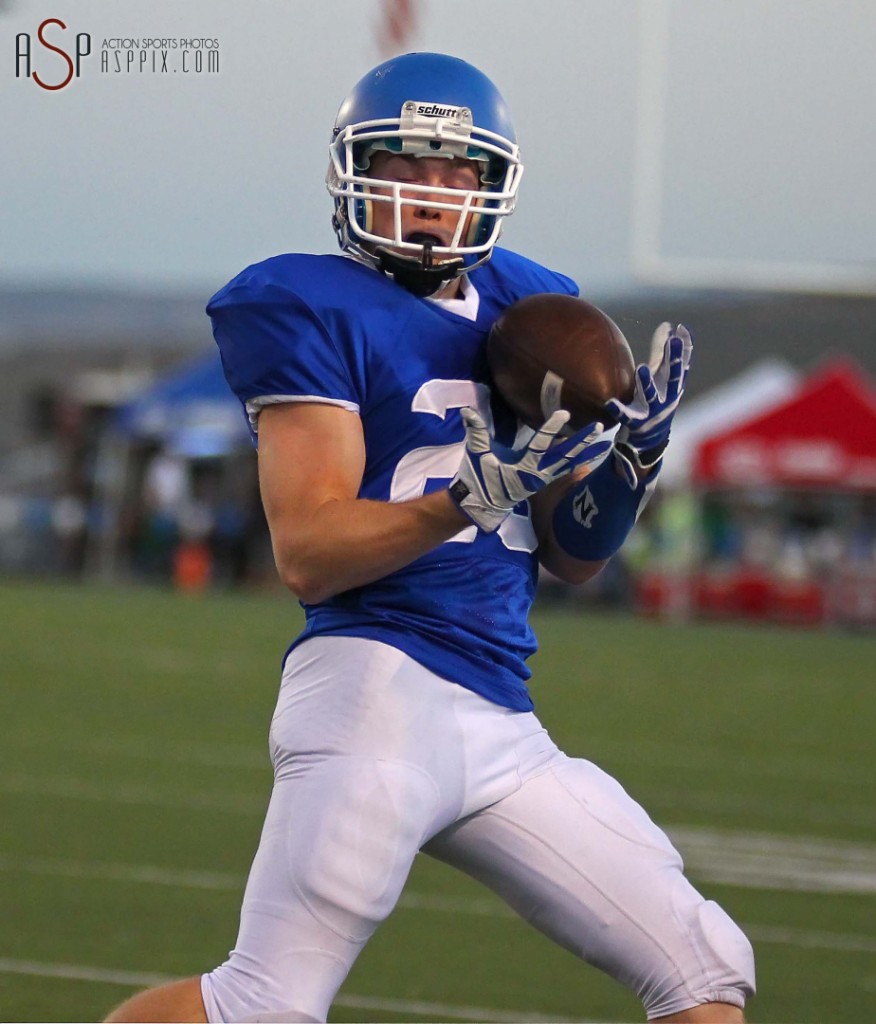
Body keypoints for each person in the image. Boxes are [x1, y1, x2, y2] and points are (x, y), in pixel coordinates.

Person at [106, 52, 755, 1023]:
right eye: (408, 164)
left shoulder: (533, 305)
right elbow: (311, 552)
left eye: (459, 172)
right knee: (263, 1004)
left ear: (494, 185)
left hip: (498, 713)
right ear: (356, 169)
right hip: (374, 686)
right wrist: (457, 502)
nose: (433, 193)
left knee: (705, 968)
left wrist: (627, 469)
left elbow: (575, 555)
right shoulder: (301, 301)